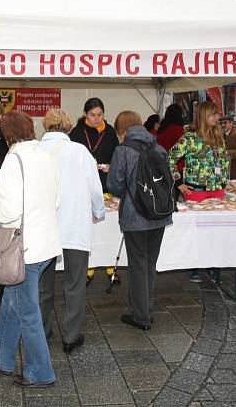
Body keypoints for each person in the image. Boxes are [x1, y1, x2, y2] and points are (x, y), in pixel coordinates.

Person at [0, 110, 61, 387]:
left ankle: (41, 372)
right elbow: (57, 200)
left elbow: (7, 211)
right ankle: (0, 356)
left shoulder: (13, 159)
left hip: (25, 249)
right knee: (12, 301)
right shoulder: (46, 155)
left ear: (7, 134)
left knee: (27, 311)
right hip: (47, 244)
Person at [38, 108, 105, 353]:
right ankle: (71, 336)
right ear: (68, 127)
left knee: (43, 284)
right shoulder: (80, 151)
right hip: (75, 225)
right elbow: (95, 188)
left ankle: (42, 331)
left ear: (46, 126)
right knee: (75, 284)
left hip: (43, 227)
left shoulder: (35, 150)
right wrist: (99, 212)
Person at [107, 111, 172, 331]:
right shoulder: (159, 148)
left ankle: (141, 316)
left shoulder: (122, 150)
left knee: (137, 265)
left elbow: (114, 186)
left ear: (123, 131)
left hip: (135, 217)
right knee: (149, 263)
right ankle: (147, 307)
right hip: (160, 214)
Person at [168, 101, 230, 282]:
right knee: (195, 231)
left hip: (217, 191)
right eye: (213, 114)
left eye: (217, 114)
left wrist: (224, 183)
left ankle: (211, 264)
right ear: (204, 116)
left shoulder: (218, 136)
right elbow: (169, 158)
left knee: (214, 231)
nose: (217, 118)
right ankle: (193, 265)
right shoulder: (190, 138)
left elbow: (222, 161)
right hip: (196, 192)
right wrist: (178, 182)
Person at [69, 97, 118, 285]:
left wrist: (110, 166)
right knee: (89, 228)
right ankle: (88, 268)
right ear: (85, 115)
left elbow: (117, 155)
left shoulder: (110, 130)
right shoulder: (77, 132)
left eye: (100, 115)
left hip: (106, 184)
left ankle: (110, 266)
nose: (97, 119)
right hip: (84, 186)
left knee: (108, 228)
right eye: (92, 115)